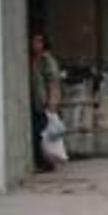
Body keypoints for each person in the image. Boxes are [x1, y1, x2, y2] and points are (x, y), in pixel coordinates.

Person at [29, 32, 61, 173]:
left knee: (41, 134)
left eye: (38, 41)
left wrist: (52, 101)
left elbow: (53, 81)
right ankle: (43, 161)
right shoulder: (34, 59)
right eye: (34, 41)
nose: (35, 44)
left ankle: (46, 162)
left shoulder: (46, 60)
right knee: (39, 133)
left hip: (43, 103)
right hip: (35, 101)